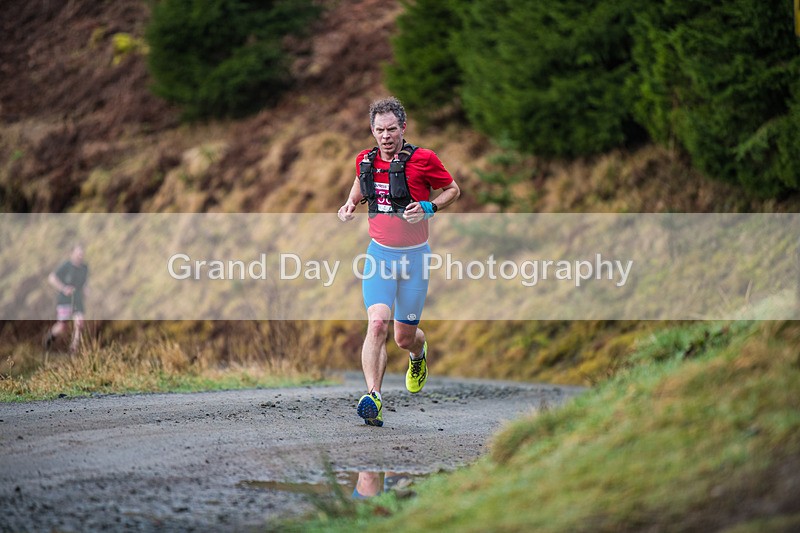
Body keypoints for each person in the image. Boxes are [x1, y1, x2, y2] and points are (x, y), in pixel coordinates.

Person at [338, 97, 460, 427]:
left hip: (415, 259)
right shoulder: (364, 159)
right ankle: (373, 397)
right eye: (379, 130)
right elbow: (360, 186)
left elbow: (452, 189)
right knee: (377, 322)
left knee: (403, 337)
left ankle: (418, 355)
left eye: (392, 129)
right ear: (372, 130)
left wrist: (429, 207)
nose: (386, 136)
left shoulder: (424, 159)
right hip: (379, 255)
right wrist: (349, 204)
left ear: (403, 128)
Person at [44, 244, 89, 353]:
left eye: (81, 254)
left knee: (79, 323)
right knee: (62, 326)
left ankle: (73, 349)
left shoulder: (85, 268)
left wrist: (86, 289)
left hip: (77, 299)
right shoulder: (66, 266)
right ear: (72, 254)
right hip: (65, 300)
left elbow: (85, 281)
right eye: (78, 254)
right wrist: (63, 288)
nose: (80, 256)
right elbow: (52, 277)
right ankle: (49, 338)